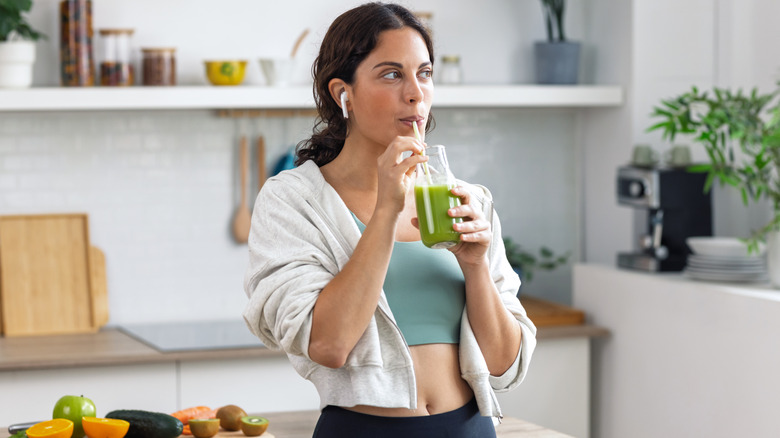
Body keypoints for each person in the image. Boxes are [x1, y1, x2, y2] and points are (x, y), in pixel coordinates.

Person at [243, 3, 537, 437]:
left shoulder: (466, 200)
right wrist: (386, 211)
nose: (416, 92)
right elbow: (329, 345)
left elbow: (504, 365)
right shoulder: (293, 200)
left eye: (424, 73)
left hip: (470, 428)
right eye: (391, 74)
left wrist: (475, 265)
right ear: (343, 93)